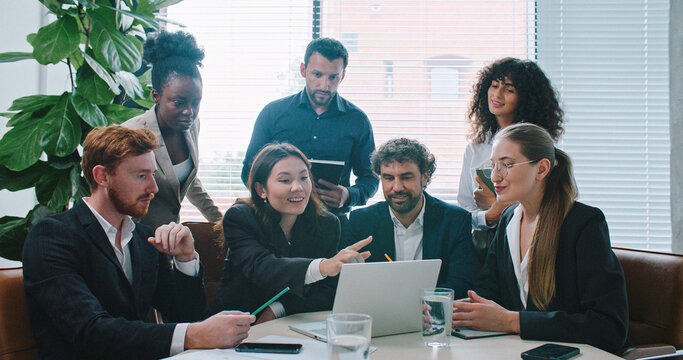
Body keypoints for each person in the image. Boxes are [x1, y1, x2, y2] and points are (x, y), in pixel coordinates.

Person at [22, 126, 254, 360]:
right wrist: (191, 335)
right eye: (141, 176)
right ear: (102, 176)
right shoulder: (52, 236)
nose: (153, 188)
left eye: (153, 175)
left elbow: (185, 318)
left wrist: (185, 259)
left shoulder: (144, 238)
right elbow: (89, 331)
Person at [451, 123, 629, 352]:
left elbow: (609, 327)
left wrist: (510, 321)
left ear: (542, 169)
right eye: (493, 165)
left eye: (507, 165)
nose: (495, 176)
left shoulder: (584, 223)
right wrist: (450, 311)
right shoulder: (508, 220)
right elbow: (487, 294)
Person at [208, 143, 373, 323]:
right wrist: (323, 266)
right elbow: (262, 267)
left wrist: (279, 308)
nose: (298, 187)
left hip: (292, 322)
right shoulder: (240, 217)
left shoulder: (328, 224)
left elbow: (328, 292)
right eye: (285, 180)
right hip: (231, 325)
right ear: (261, 189)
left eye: (304, 178)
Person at [241, 37, 378, 217]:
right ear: (303, 70)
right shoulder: (273, 114)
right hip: (276, 221)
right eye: (317, 75)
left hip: (333, 225)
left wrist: (348, 195)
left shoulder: (357, 120)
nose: (324, 85)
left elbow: (370, 177)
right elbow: (249, 172)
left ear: (342, 76)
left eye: (333, 77)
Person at [457, 57, 565, 270]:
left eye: (508, 89)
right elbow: (464, 211)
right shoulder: (476, 147)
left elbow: (548, 205)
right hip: (485, 250)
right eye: (494, 86)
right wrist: (489, 215)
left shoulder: (540, 148)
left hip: (534, 246)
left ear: (525, 98)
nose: (497, 95)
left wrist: (497, 205)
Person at [341, 138, 474, 298]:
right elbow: (351, 284)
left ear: (424, 177)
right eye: (389, 178)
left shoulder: (456, 220)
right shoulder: (360, 221)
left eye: (406, 177)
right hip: (380, 313)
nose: (397, 187)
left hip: (433, 315)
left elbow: (460, 285)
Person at [123, 30, 221, 229]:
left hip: (169, 240)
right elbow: (118, 200)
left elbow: (186, 180)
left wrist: (220, 222)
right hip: (135, 241)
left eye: (196, 103)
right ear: (156, 96)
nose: (189, 112)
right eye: (179, 102)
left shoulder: (192, 125)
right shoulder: (131, 135)